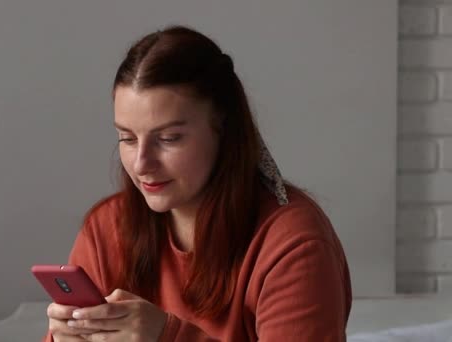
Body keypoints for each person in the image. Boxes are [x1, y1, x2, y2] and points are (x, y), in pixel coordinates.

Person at [44, 25, 352, 342]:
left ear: (224, 129)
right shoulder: (105, 229)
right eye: (127, 138)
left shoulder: (293, 243)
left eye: (168, 138)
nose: (141, 164)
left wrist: (168, 336)